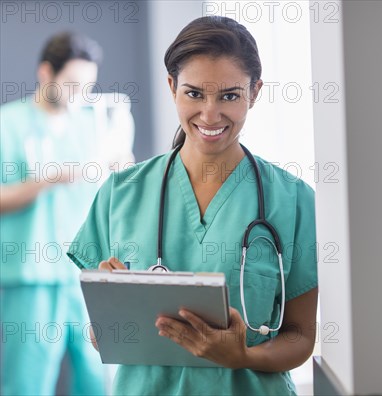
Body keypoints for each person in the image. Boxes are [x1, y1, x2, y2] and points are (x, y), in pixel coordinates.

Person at [66, 16, 318, 395]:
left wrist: (244, 358)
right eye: (194, 93)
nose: (210, 114)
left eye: (230, 95)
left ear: (255, 92)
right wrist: (112, 311)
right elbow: (103, 340)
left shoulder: (294, 199)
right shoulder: (120, 193)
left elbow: (300, 336)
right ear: (172, 87)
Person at [0, 32, 119, 395]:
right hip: (29, 275)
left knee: (98, 379)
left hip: (85, 274)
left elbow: (104, 194)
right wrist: (47, 180)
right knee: (26, 382)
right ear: (45, 73)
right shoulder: (8, 124)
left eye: (87, 86)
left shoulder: (93, 127)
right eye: (70, 84)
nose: (78, 95)